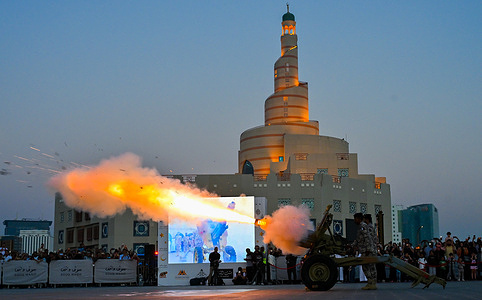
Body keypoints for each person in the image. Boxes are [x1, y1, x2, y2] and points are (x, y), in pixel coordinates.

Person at [352, 213, 377, 290]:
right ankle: (372, 283)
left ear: (359, 218)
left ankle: (371, 283)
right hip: (368, 250)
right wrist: (352, 245)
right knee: (371, 267)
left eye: (355, 218)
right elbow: (359, 239)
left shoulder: (363, 226)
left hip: (367, 250)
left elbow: (367, 238)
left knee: (366, 267)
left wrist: (368, 249)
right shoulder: (362, 226)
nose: (354, 220)